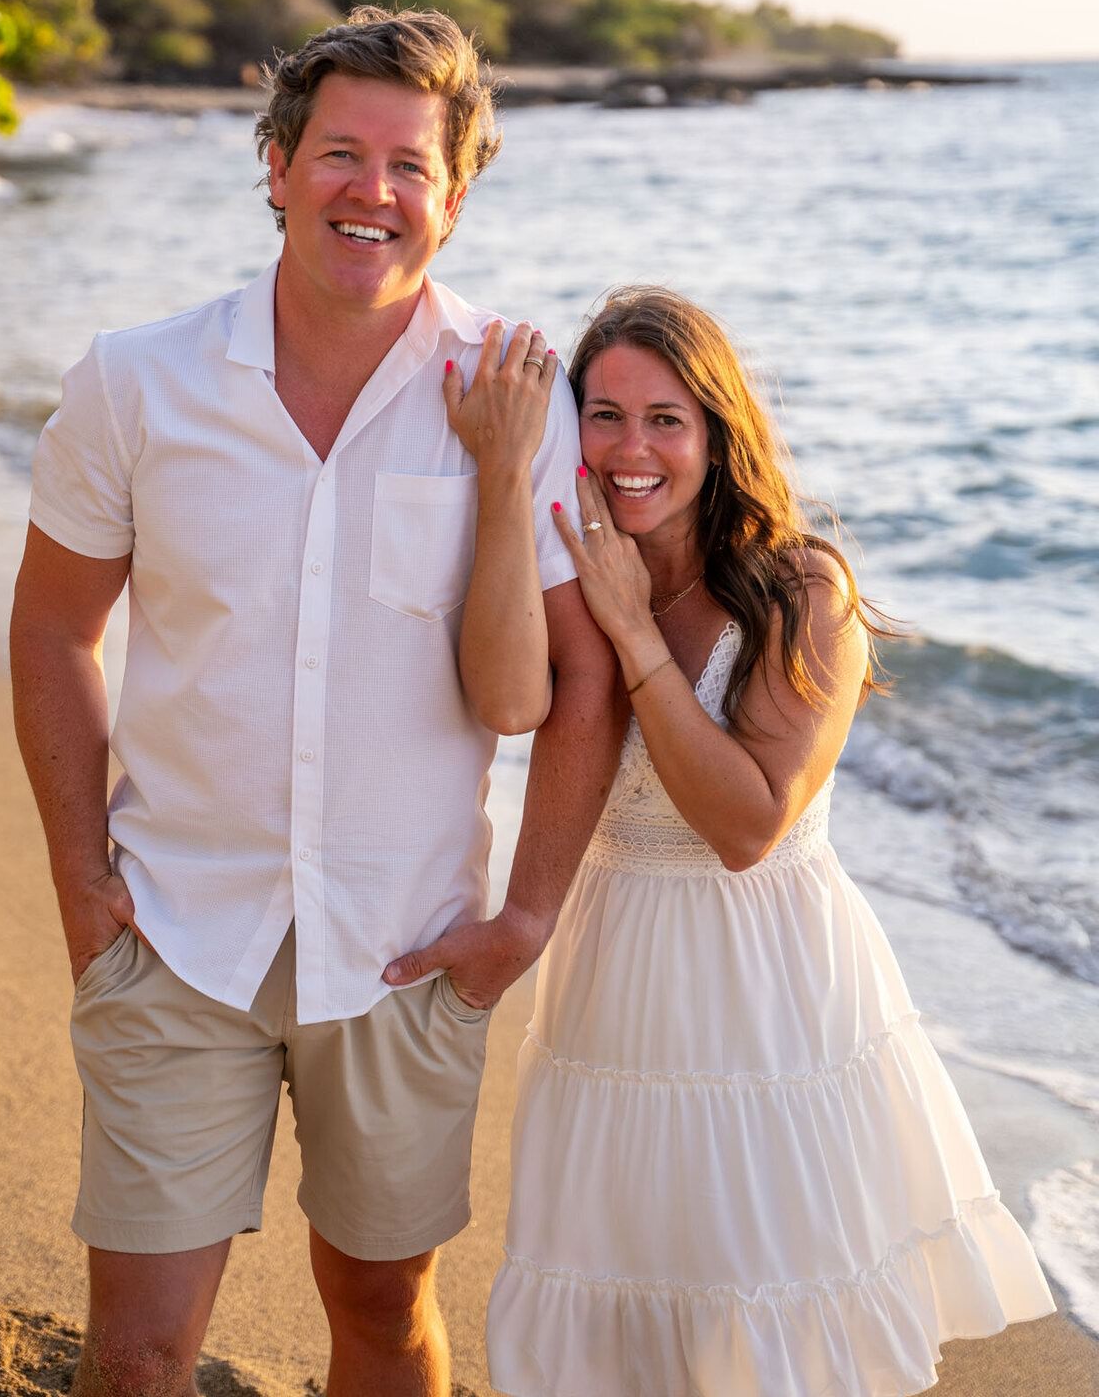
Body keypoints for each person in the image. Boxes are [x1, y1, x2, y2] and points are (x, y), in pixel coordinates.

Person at [8, 7, 623, 1397]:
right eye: (341, 153)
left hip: (404, 949)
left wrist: (522, 915)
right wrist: (79, 882)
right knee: (141, 1347)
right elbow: (53, 629)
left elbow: (581, 680)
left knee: (382, 1317)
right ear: (277, 166)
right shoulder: (138, 381)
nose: (374, 191)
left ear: (454, 201)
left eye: (411, 167)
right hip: (173, 932)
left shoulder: (518, 395)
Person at [450, 286, 1054, 1397]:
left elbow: (745, 826)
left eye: (666, 419)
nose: (633, 449)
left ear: (719, 433)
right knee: (619, 1298)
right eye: (605, 416)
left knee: (763, 1305)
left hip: (768, 988)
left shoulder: (802, 590)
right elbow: (502, 704)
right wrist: (501, 496)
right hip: (614, 969)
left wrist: (635, 631)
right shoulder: (569, 566)